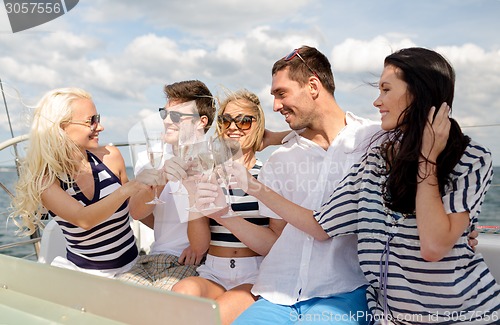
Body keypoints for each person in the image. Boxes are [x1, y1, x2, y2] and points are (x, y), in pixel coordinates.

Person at [225, 47, 500, 324]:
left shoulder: (466, 157)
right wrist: (269, 150)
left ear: (416, 92)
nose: (376, 101)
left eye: (385, 90)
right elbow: (320, 225)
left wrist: (428, 166)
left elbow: (433, 246)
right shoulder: (375, 158)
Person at [194, 46, 378, 324]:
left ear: (313, 86)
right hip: (278, 291)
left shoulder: (372, 140)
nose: (276, 106)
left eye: (281, 93)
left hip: (344, 288)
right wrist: (220, 213)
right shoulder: (280, 160)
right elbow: (275, 239)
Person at [10, 87, 153, 278]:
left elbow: (135, 210)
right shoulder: (45, 182)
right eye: (91, 121)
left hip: (133, 267)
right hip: (86, 277)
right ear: (60, 127)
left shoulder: (110, 157)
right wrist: (128, 188)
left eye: (98, 119)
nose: (100, 127)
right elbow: (84, 219)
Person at [172, 89, 285, 324]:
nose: (233, 126)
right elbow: (199, 245)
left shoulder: (269, 174)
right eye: (225, 120)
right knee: (179, 296)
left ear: (258, 125)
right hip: (214, 269)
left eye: (244, 120)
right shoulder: (208, 174)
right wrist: (193, 194)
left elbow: (275, 244)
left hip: (255, 272)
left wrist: (270, 138)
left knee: (213, 315)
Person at [117, 80, 216, 289]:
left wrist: (200, 248)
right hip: (154, 256)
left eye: (177, 116)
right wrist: (161, 177)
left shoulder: (215, 160)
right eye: (165, 114)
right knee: (114, 296)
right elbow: (136, 212)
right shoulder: (152, 158)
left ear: (201, 121)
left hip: (192, 262)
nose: (167, 121)